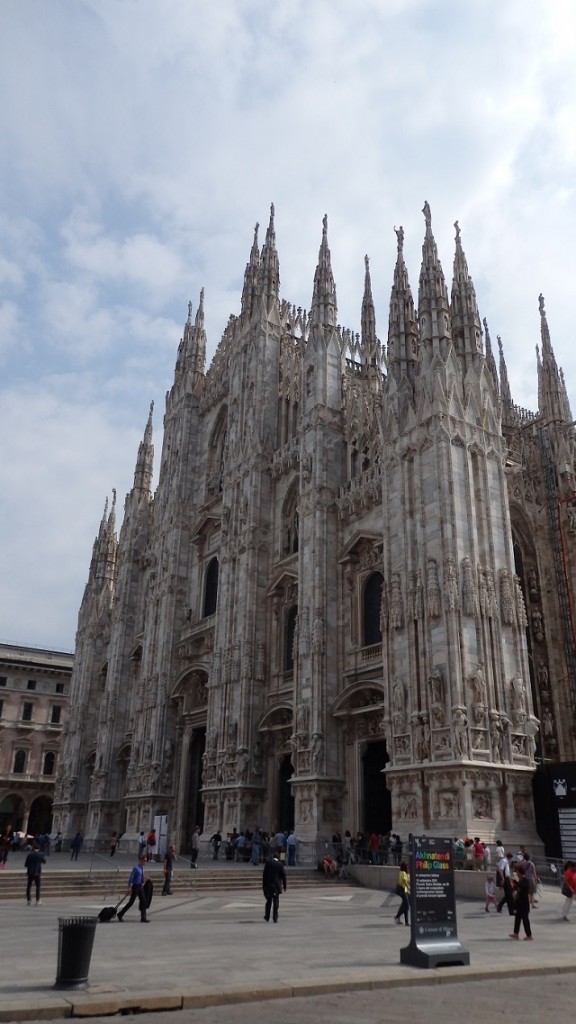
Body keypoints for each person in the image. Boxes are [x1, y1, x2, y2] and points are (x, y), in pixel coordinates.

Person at [118, 854, 150, 923]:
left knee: (143, 901)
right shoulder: (136, 868)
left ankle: (143, 917)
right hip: (135, 886)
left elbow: (141, 877)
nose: (145, 862)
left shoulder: (142, 868)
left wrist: (145, 880)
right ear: (140, 860)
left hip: (140, 886)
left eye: (146, 861)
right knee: (131, 902)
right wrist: (129, 886)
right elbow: (131, 878)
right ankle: (120, 914)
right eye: (144, 861)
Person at [510, 862, 532, 940]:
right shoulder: (520, 880)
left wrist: (516, 882)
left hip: (524, 903)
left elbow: (523, 887)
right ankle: (516, 933)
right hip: (519, 902)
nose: (517, 873)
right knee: (517, 918)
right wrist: (514, 883)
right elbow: (517, 888)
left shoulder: (525, 880)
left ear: (520, 872)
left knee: (525, 919)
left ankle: (529, 935)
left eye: (517, 872)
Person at [262, 852, 287, 923]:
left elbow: (264, 875)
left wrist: (263, 886)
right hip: (277, 885)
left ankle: (267, 916)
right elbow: (283, 876)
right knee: (276, 901)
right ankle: (275, 917)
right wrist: (285, 886)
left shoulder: (268, 863)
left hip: (269, 884)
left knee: (268, 901)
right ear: (278, 858)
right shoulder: (280, 864)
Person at [394, 861, 410, 926]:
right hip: (402, 891)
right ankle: (397, 916)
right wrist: (410, 889)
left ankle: (406, 922)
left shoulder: (402, 872)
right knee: (407, 906)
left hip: (403, 891)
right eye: (407, 866)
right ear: (405, 867)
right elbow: (405, 883)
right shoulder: (403, 873)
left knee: (405, 905)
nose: (408, 867)